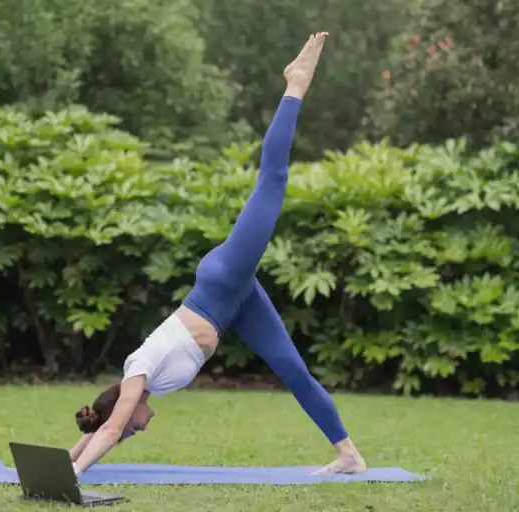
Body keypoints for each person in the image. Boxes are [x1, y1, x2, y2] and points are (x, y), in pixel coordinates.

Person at [68, 32, 367, 477]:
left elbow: (110, 428)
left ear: (125, 414)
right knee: (293, 370)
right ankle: (349, 455)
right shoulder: (140, 391)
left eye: (132, 428)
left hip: (224, 279)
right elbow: (104, 428)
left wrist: (72, 478)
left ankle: (295, 85)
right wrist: (65, 461)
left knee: (273, 180)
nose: (140, 429)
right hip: (233, 303)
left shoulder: (138, 374)